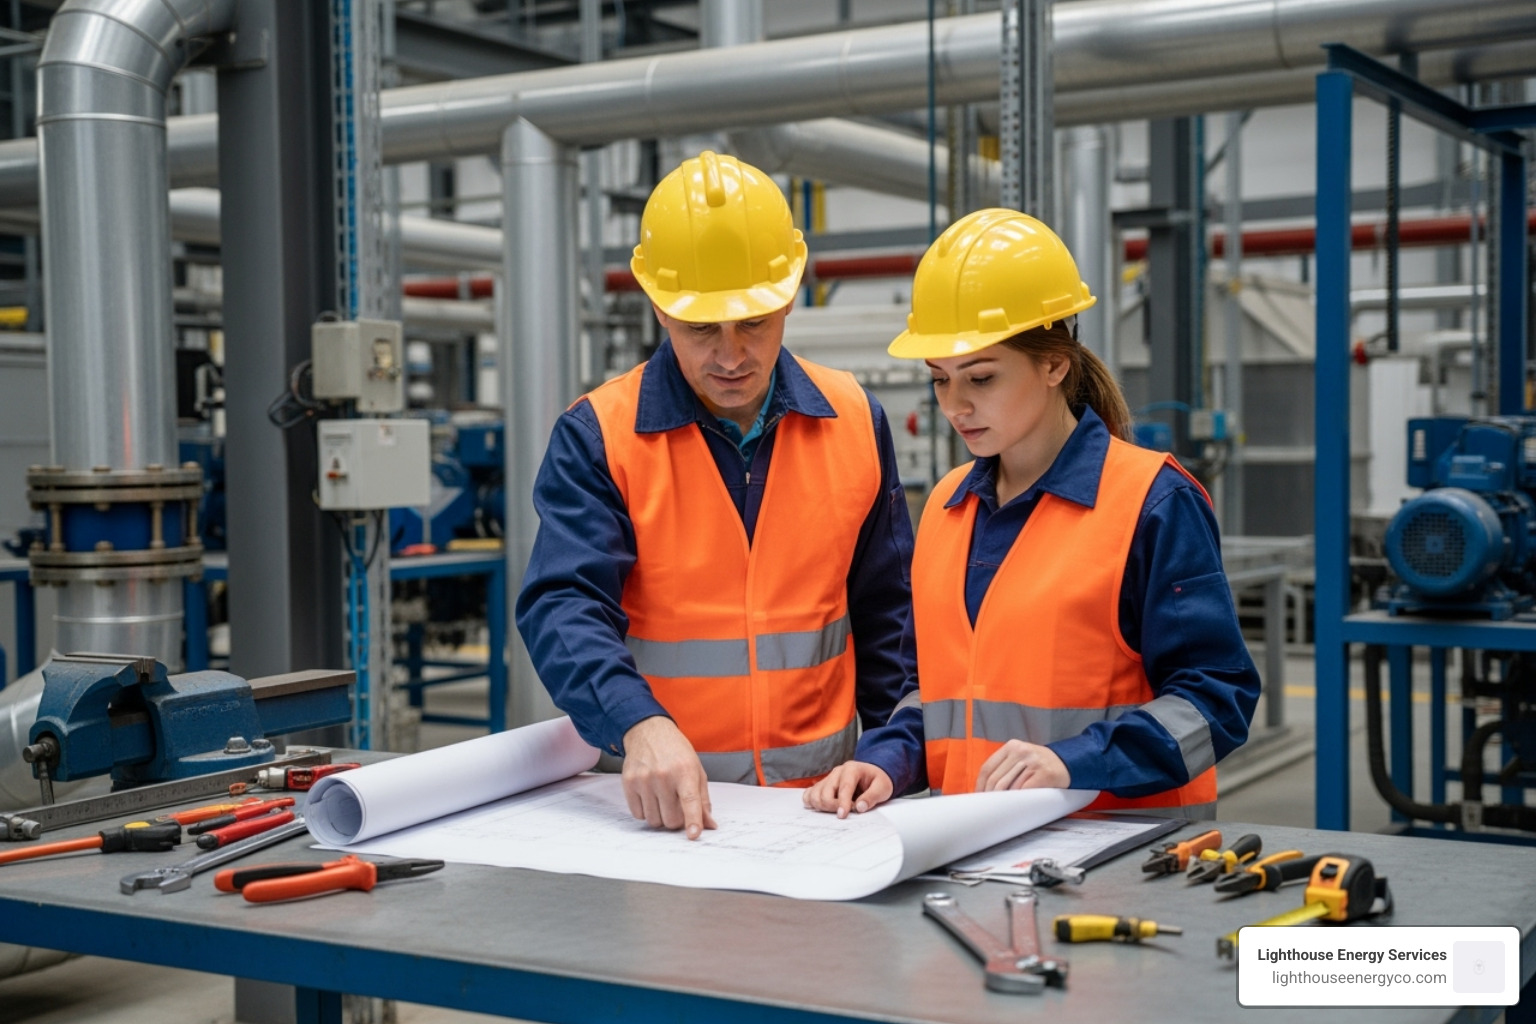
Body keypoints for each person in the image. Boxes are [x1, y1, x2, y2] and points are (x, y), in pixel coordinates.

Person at [804, 208, 1260, 819]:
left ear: (1054, 363)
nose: (955, 405)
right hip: (973, 849)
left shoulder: (1152, 503)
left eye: (981, 377)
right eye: (939, 380)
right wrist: (883, 761)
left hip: (1120, 861)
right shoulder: (945, 507)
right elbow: (931, 697)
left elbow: (1217, 700)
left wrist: (1076, 761)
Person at [516, 151, 917, 840]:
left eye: (755, 322)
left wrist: (894, 754)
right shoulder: (600, 437)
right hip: (668, 821)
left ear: (789, 296)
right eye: (703, 328)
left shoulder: (855, 419)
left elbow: (891, 618)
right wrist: (638, 724)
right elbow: (563, 606)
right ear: (659, 307)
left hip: (826, 816)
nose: (732, 355)